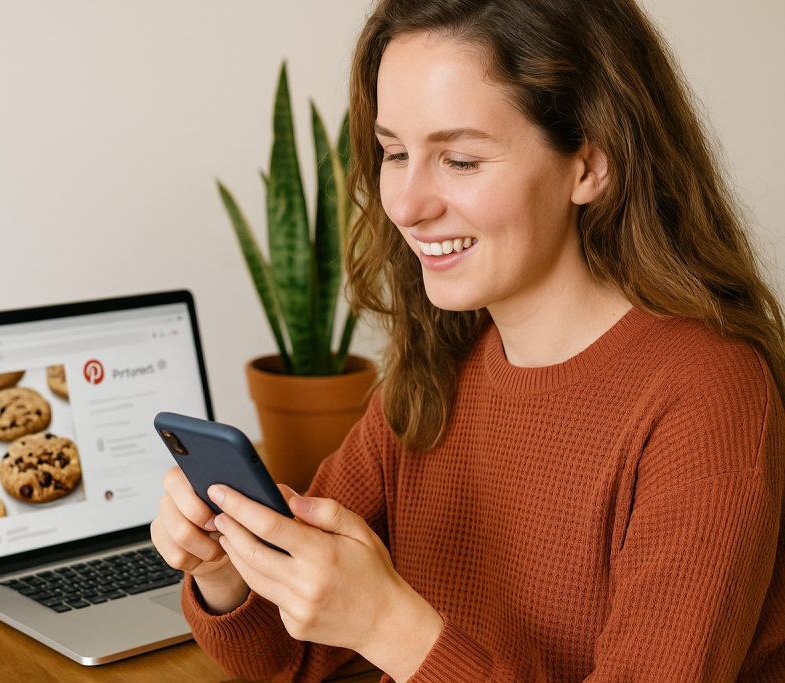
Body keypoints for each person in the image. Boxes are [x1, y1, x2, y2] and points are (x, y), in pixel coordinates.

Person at [151, 0, 785, 679]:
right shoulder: (438, 367)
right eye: (395, 152)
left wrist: (389, 626)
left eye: (458, 159)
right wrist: (227, 570)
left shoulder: (709, 398)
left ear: (590, 163)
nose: (405, 205)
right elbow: (288, 654)